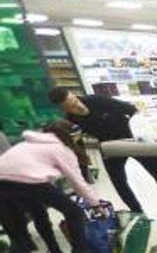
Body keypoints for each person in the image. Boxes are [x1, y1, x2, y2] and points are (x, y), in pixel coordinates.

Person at [0, 122, 105, 253]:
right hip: (30, 180)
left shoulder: (25, 144)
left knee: (39, 214)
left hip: (3, 182)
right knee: (74, 212)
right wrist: (95, 204)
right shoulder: (61, 149)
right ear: (72, 136)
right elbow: (78, 182)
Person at [47, 86, 143, 214]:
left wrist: (139, 130)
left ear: (74, 95)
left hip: (132, 140)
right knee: (118, 182)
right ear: (63, 108)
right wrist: (83, 172)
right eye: (71, 107)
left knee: (156, 171)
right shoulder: (71, 121)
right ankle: (137, 211)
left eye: (75, 101)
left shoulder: (97, 100)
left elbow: (130, 109)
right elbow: (78, 147)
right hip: (109, 148)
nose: (78, 107)